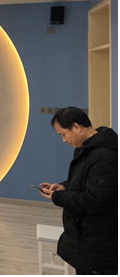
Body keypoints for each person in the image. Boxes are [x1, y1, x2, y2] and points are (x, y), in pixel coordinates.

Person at [38, 107, 117, 275]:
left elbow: (94, 200)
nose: (64, 140)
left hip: (99, 246)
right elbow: (86, 181)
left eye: (63, 134)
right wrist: (64, 186)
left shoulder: (104, 156)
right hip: (87, 240)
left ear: (76, 127)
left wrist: (58, 197)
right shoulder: (86, 148)